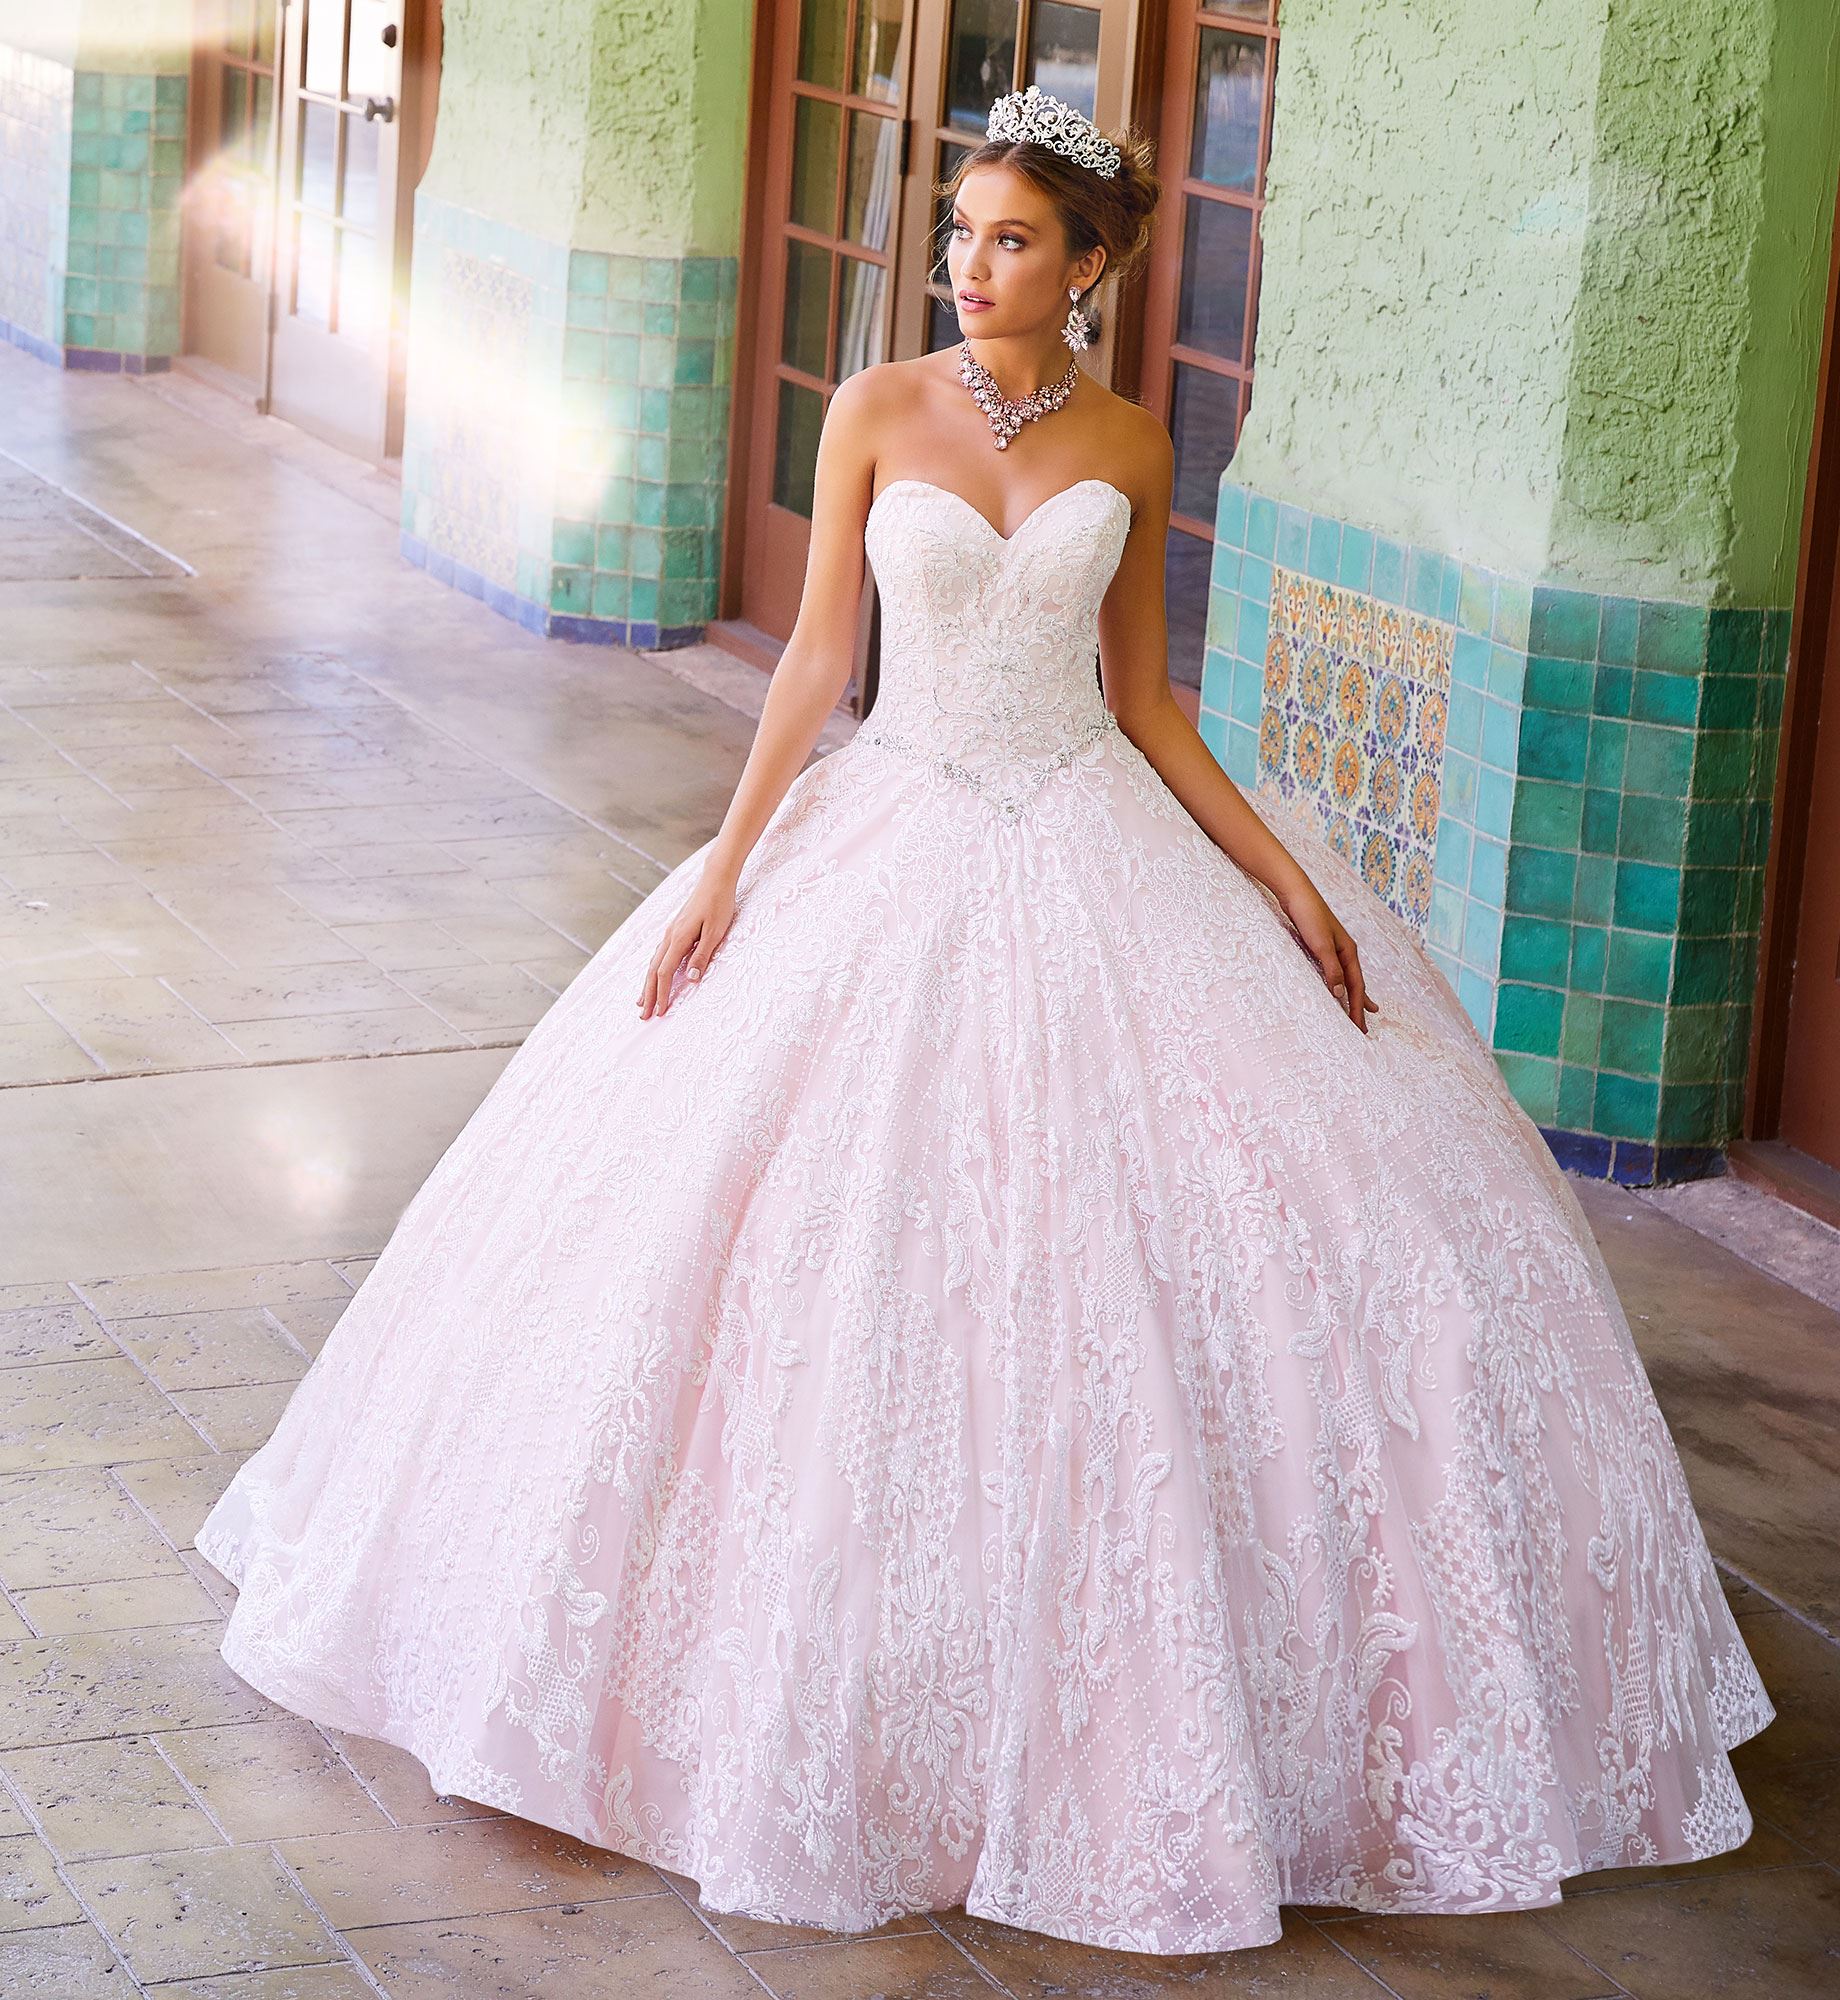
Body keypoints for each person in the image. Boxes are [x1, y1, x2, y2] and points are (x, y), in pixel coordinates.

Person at [195, 87, 1773, 1956]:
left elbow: (1146, 700)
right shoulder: (876, 410)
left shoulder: (1128, 436)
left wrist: (1279, 876)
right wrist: (724, 863)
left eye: (1012, 238)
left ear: (1091, 266)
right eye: (957, 231)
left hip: (1091, 832)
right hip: (900, 824)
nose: (968, 265)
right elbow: (812, 663)